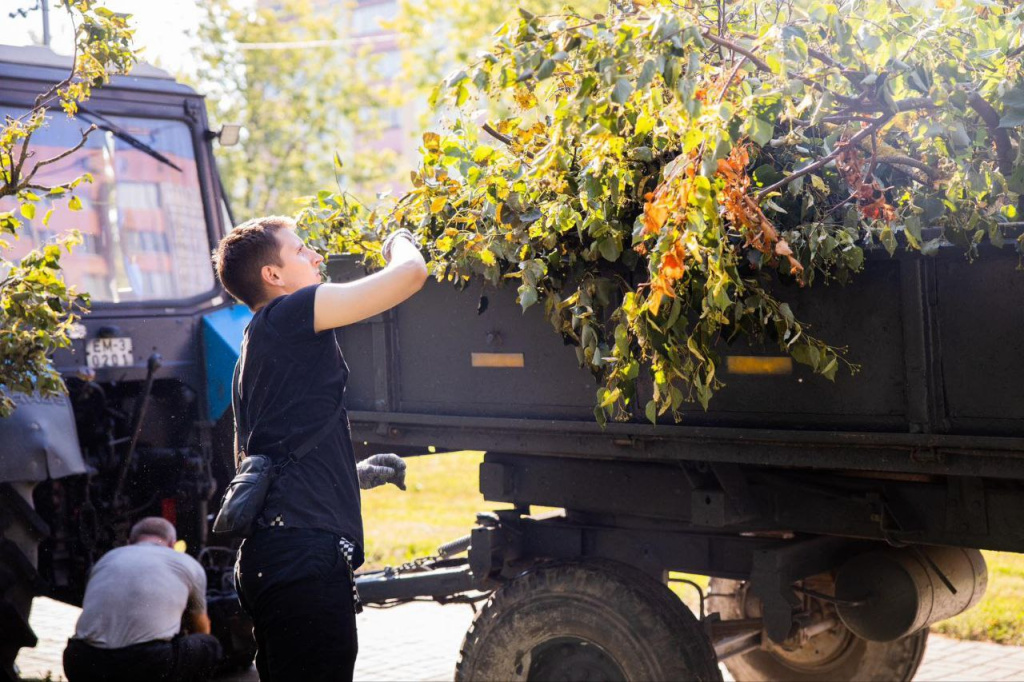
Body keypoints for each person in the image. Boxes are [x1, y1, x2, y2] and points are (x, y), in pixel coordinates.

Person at [211, 216, 427, 681]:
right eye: (302, 249)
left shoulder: (253, 343)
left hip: (272, 560)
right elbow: (411, 275)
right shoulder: (290, 313)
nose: (316, 257)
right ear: (273, 276)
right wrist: (400, 241)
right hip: (303, 561)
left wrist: (352, 472)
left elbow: (264, 458)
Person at [62, 517, 222, 682]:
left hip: (81, 661)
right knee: (209, 644)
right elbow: (200, 627)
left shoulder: (105, 559)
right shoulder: (188, 563)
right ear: (173, 544)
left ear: (129, 541)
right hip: (146, 664)